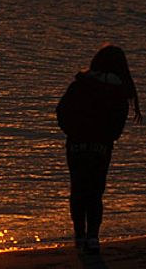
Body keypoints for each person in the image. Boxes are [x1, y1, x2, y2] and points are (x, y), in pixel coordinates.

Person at [56, 44, 141, 253]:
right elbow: (118, 121)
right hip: (101, 146)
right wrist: (108, 137)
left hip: (76, 143)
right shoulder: (117, 89)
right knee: (95, 191)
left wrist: (72, 132)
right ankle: (93, 237)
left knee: (78, 189)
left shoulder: (80, 84)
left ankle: (79, 236)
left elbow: (61, 111)